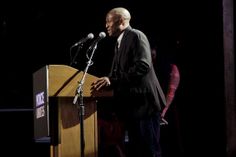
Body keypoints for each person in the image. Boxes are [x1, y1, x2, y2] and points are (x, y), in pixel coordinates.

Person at [91, 7, 166, 157]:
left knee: (149, 151)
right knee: (137, 150)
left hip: (145, 106)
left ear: (121, 21)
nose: (106, 25)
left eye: (109, 21)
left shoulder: (136, 36)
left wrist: (112, 80)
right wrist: (107, 80)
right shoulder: (119, 42)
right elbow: (117, 73)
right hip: (133, 108)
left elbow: (143, 65)